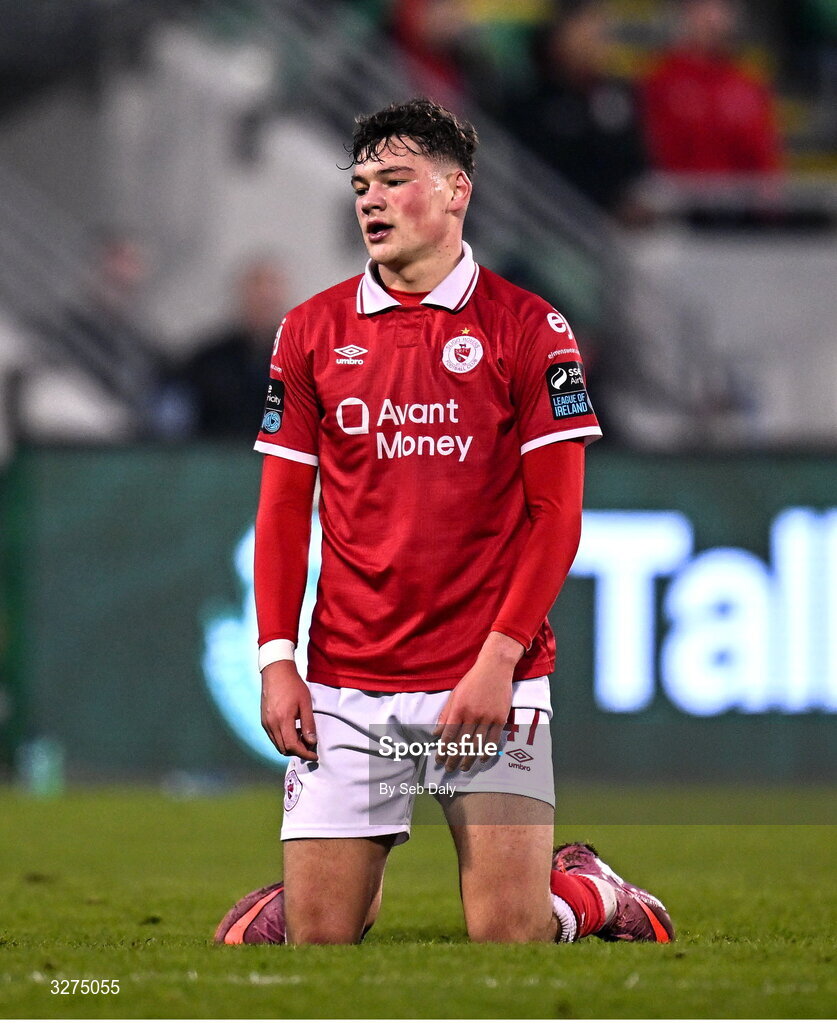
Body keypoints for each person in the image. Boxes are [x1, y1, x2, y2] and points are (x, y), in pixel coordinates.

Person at [252, 98, 674, 946]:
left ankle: (592, 894)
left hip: (485, 678)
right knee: (319, 943)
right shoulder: (308, 331)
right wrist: (276, 660)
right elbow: (281, 508)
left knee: (508, 934)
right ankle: (325, 889)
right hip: (348, 675)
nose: (370, 200)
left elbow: (556, 517)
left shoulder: (529, 329)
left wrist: (499, 658)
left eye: (395, 181)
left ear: (455, 193)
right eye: (362, 184)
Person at [506, 1, 649, 221]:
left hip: (618, 230)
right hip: (551, 226)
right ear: (560, 36)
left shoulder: (620, 94)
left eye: (601, 31)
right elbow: (537, 171)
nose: (596, 40)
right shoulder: (531, 101)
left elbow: (637, 160)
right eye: (586, 29)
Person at [642, 0, 783, 175]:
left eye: (721, 8)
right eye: (703, 8)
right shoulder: (661, 80)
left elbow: (764, 157)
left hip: (738, 198)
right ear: (685, 14)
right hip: (677, 196)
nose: (713, 18)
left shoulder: (749, 84)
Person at [179, 258, 287, 437]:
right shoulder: (209, 362)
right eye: (256, 288)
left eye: (272, 288)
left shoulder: (305, 362)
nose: (264, 296)